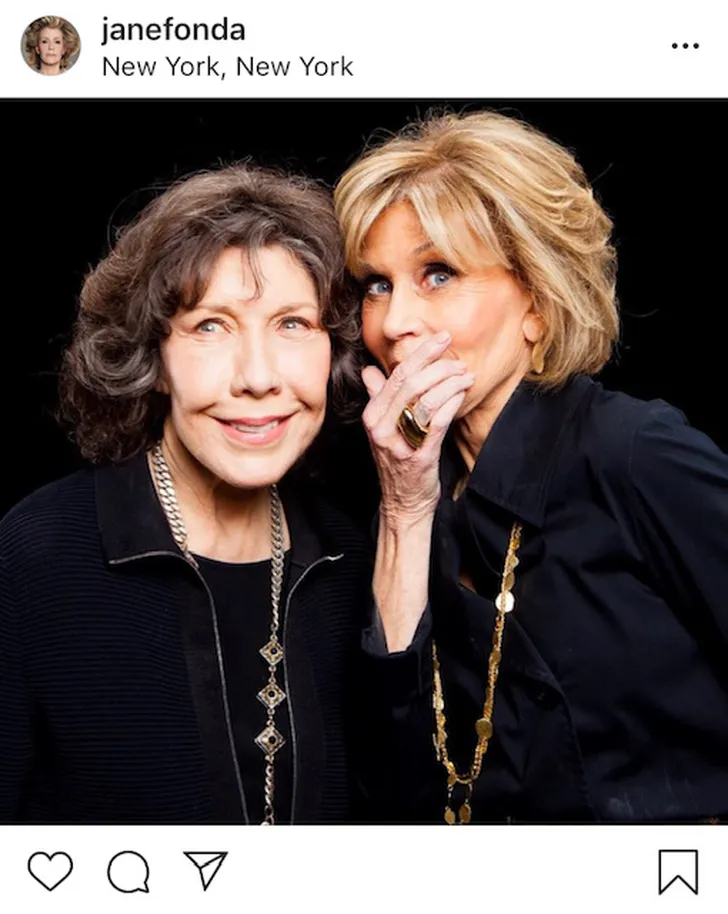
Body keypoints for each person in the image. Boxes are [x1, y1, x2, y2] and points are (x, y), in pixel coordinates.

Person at [334, 110, 728, 823]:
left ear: (538, 304)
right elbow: (389, 785)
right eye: (377, 284)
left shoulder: (635, 453)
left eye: (438, 274)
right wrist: (404, 510)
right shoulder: (408, 487)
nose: (392, 324)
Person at [0, 163, 377, 824]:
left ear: (334, 349)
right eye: (210, 326)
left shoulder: (353, 556)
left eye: (292, 324)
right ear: (155, 359)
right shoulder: (35, 554)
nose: (257, 377)